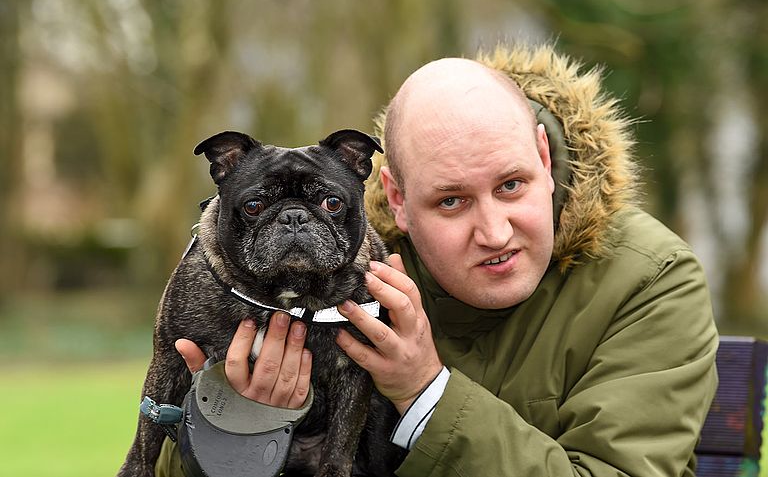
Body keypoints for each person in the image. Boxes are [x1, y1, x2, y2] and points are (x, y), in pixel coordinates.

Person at [157, 43, 719, 476]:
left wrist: (426, 390)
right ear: (396, 198)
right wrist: (238, 428)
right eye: (450, 201)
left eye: (512, 185)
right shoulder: (341, 271)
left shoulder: (651, 280)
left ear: (544, 159)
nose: (494, 232)